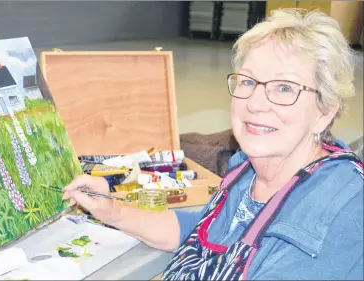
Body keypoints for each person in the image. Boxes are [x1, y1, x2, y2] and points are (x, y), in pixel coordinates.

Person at [63, 8, 363, 280]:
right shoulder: (245, 169)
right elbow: (199, 230)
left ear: (326, 110)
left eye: (284, 88)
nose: (256, 103)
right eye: (247, 81)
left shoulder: (342, 207)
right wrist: (112, 210)